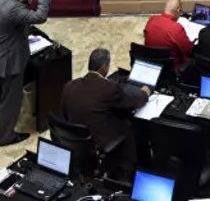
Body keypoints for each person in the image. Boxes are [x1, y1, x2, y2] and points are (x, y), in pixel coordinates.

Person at [0, 0, 51, 146]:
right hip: (9, 62)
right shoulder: (13, 9)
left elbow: (6, 12)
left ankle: (1, 127)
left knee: (3, 96)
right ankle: (6, 136)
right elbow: (40, 17)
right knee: (11, 101)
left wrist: (18, 4)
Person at [60, 47, 149, 181]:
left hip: (77, 141)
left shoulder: (69, 86)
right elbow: (131, 102)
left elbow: (65, 115)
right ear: (104, 67)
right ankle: (126, 174)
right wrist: (144, 93)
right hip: (99, 144)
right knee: (129, 125)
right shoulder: (109, 88)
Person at [143, 0, 193, 69]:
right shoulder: (177, 28)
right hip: (172, 70)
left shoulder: (151, 20)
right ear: (178, 10)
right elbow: (189, 51)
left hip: (152, 65)